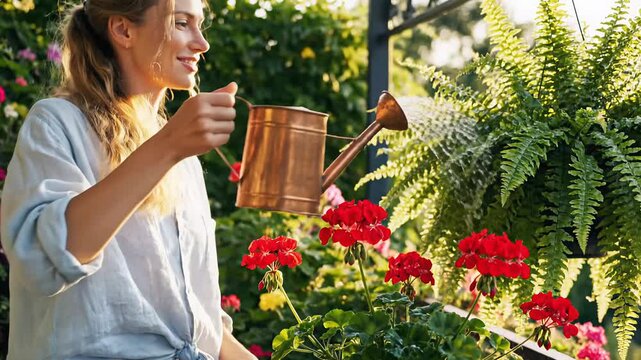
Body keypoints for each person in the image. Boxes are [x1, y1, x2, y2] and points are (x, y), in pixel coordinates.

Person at [0, 0, 258, 358]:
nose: (202, 43)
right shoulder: (58, 124)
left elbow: (201, 324)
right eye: (181, 23)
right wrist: (167, 146)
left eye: (200, 25)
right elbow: (50, 257)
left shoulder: (183, 160)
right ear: (123, 30)